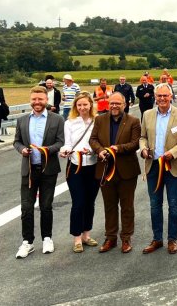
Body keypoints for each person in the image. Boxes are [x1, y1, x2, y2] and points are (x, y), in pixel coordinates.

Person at [139, 83, 177, 255]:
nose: (162, 99)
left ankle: (172, 240)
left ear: (171, 96)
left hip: (173, 165)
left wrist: (172, 153)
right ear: (155, 96)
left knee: (174, 204)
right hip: (153, 165)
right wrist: (144, 149)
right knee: (155, 205)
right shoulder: (147, 115)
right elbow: (142, 137)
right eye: (159, 96)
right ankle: (157, 239)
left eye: (165, 96)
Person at [13, 86, 65, 258]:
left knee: (46, 206)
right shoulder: (22, 120)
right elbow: (17, 142)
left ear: (46, 100)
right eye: (34, 99)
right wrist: (22, 150)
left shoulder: (57, 119)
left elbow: (60, 142)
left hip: (48, 170)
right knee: (26, 208)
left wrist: (46, 150)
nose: (37, 102)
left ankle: (47, 238)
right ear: (31, 100)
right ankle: (27, 242)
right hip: (28, 170)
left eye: (40, 99)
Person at [89, 92, 141, 253]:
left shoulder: (133, 121)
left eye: (118, 103)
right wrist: (100, 151)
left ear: (124, 105)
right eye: (112, 103)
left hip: (126, 171)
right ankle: (110, 237)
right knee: (109, 206)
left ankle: (126, 238)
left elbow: (135, 144)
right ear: (108, 104)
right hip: (105, 169)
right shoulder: (99, 119)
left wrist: (118, 149)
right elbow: (93, 139)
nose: (114, 106)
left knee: (127, 206)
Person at [59, 92, 99, 253]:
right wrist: (65, 151)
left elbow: (99, 142)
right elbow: (67, 143)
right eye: (79, 105)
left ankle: (86, 234)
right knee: (78, 202)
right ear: (76, 106)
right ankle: (76, 237)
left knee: (90, 202)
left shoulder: (97, 122)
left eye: (85, 104)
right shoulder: (69, 123)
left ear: (90, 105)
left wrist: (91, 151)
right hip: (75, 166)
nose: (82, 108)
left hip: (93, 165)